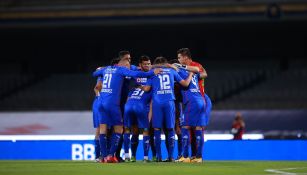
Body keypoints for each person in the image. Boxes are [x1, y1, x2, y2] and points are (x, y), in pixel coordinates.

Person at [93, 59, 161, 163]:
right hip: (113, 104)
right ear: (122, 64)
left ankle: (104, 157)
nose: (128, 65)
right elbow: (137, 73)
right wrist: (152, 72)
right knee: (119, 130)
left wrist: (100, 68)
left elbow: (95, 73)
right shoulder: (121, 70)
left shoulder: (106, 69)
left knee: (103, 130)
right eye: (128, 62)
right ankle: (110, 156)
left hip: (101, 103)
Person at [142, 56, 193, 162]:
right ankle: (170, 157)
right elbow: (185, 83)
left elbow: (146, 89)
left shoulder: (153, 72)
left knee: (156, 129)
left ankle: (159, 157)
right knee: (170, 129)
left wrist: (139, 86)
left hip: (157, 103)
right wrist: (191, 75)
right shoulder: (172, 71)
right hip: (169, 102)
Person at [177, 48, 209, 160]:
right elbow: (202, 73)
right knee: (197, 128)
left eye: (179, 58)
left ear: (185, 57)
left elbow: (204, 74)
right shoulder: (193, 68)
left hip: (196, 98)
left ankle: (186, 156)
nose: (178, 60)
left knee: (187, 126)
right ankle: (196, 156)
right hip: (198, 98)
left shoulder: (195, 65)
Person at [123, 55, 153, 162]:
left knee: (130, 130)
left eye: (149, 64)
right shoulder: (152, 76)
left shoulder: (135, 74)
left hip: (129, 104)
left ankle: (129, 157)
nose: (148, 66)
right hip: (140, 106)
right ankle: (145, 158)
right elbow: (148, 90)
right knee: (145, 131)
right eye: (145, 64)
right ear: (140, 65)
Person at [92, 72, 103, 162]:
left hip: (107, 103)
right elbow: (96, 88)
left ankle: (102, 155)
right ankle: (98, 156)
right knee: (100, 129)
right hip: (100, 103)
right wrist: (99, 97)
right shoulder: (103, 74)